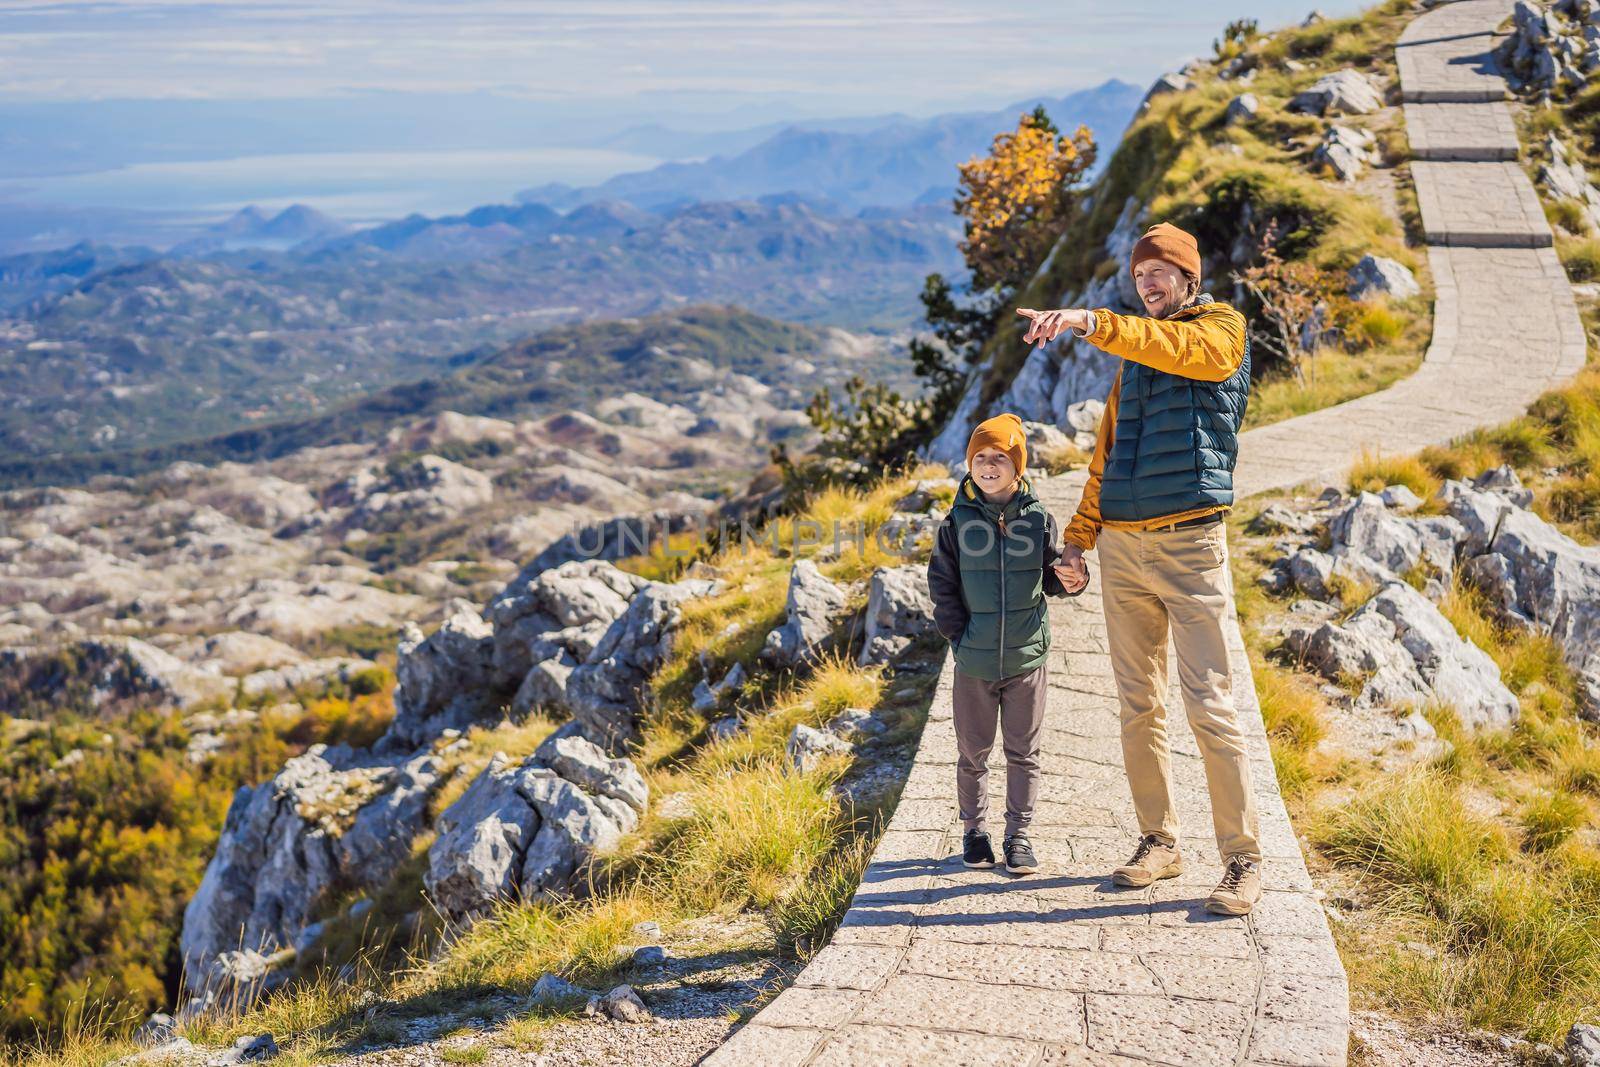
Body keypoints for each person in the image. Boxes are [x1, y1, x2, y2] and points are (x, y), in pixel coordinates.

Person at [1015, 221, 1263, 916]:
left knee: (1209, 702)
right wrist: (1077, 541)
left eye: (1159, 272)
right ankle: (1160, 839)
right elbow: (1107, 460)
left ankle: (1242, 858)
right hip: (1123, 550)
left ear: (1189, 278)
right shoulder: (1134, 363)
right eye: (1138, 274)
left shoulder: (1220, 330)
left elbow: (1190, 353)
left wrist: (1091, 320)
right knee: (1138, 705)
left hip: (1191, 546)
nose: (1146, 283)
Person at [926, 412, 1087, 876]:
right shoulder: (955, 523)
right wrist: (959, 638)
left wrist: (1074, 579)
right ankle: (974, 833)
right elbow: (942, 585)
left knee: (1023, 752)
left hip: (1026, 659)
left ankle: (1019, 835)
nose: (990, 465)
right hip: (974, 662)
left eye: (1001, 457)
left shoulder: (1038, 519)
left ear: (1018, 465)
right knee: (972, 753)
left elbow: (1052, 578)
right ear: (969, 464)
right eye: (981, 457)